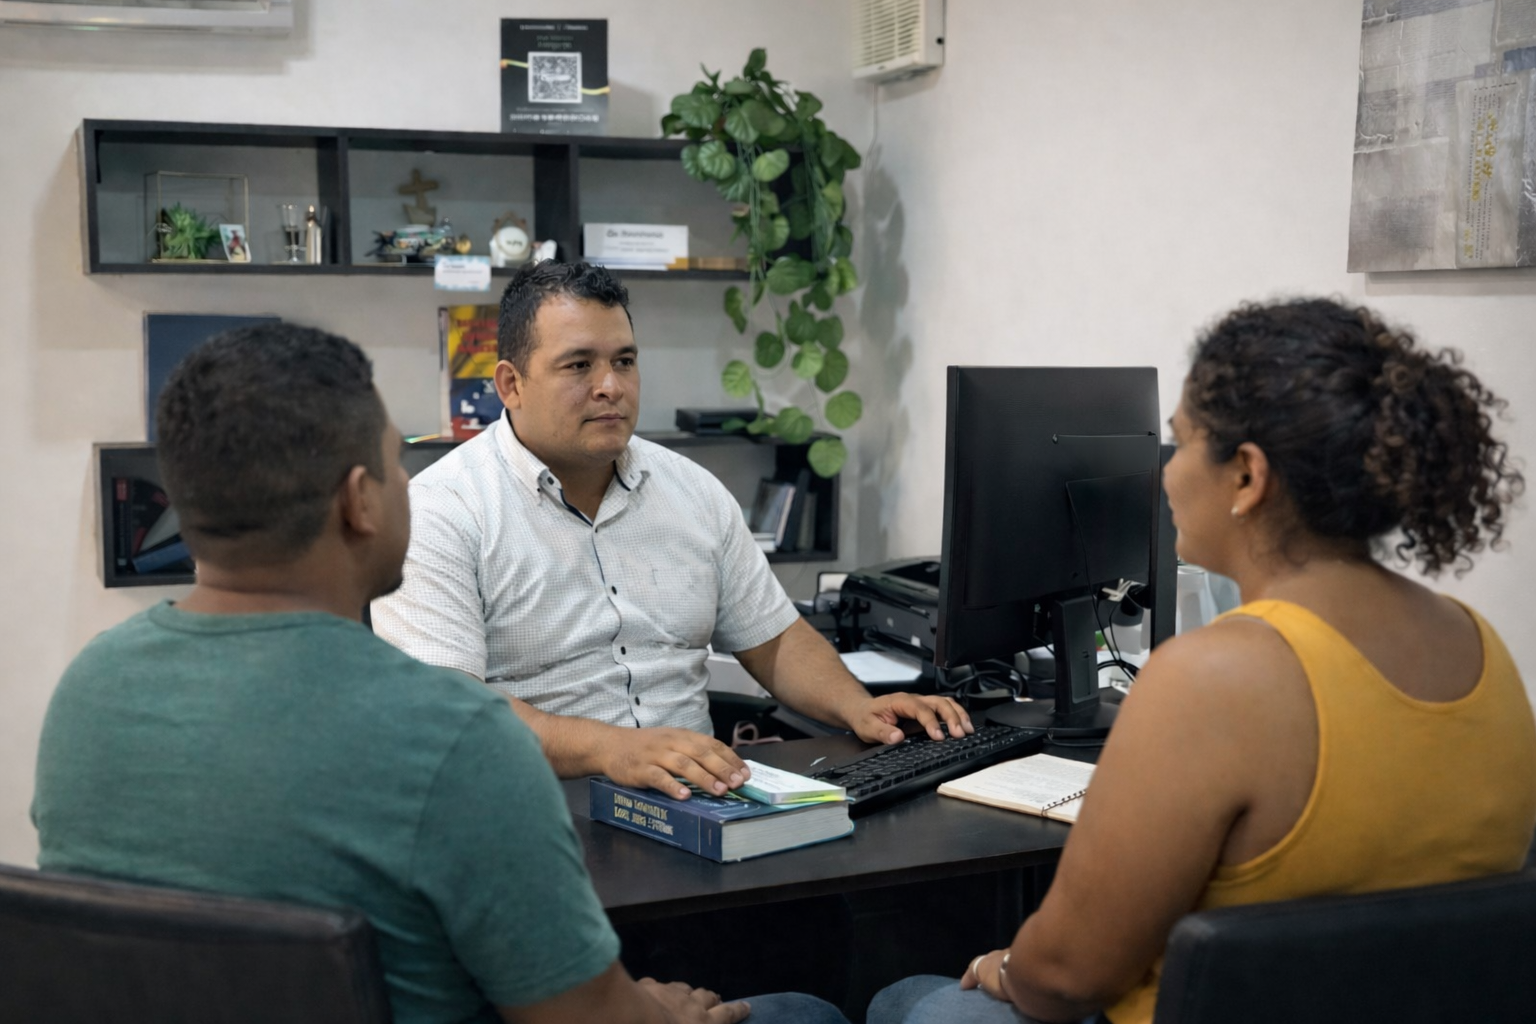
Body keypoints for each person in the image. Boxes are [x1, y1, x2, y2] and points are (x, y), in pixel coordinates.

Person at [32, 323, 849, 1024]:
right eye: (396, 467)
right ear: (361, 502)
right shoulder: (456, 737)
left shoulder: (88, 691)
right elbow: (586, 1016)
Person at [867, 297, 1536, 1024]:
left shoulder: (1211, 677)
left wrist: (1000, 967)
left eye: (1180, 445)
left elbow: (1063, 976)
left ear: (1247, 476)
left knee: (906, 999)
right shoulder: (1479, 642)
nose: (1163, 474)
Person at [372, 260, 972, 802]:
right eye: (579, 365)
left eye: (624, 362)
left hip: (701, 798)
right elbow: (453, 711)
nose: (611, 386)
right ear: (510, 385)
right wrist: (613, 749)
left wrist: (859, 707)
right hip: (537, 810)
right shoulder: (442, 510)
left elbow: (773, 638)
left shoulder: (691, 489)